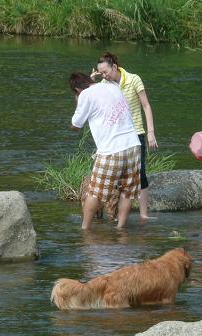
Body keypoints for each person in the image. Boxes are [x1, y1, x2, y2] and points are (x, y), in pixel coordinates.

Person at [69, 72, 141, 230]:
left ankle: (85, 229)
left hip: (111, 150)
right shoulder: (113, 86)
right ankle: (120, 229)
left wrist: (79, 98)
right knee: (127, 193)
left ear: (76, 89)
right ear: (90, 81)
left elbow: (76, 125)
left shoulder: (84, 95)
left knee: (95, 192)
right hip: (133, 146)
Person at [91, 52, 157, 219]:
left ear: (115, 67)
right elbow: (93, 101)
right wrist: (93, 81)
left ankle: (143, 215)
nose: (104, 76)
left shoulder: (134, 79)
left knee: (140, 173)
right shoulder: (105, 83)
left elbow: (146, 106)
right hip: (116, 136)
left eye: (105, 72)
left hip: (136, 134)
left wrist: (151, 133)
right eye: (101, 73)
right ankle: (111, 214)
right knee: (115, 175)